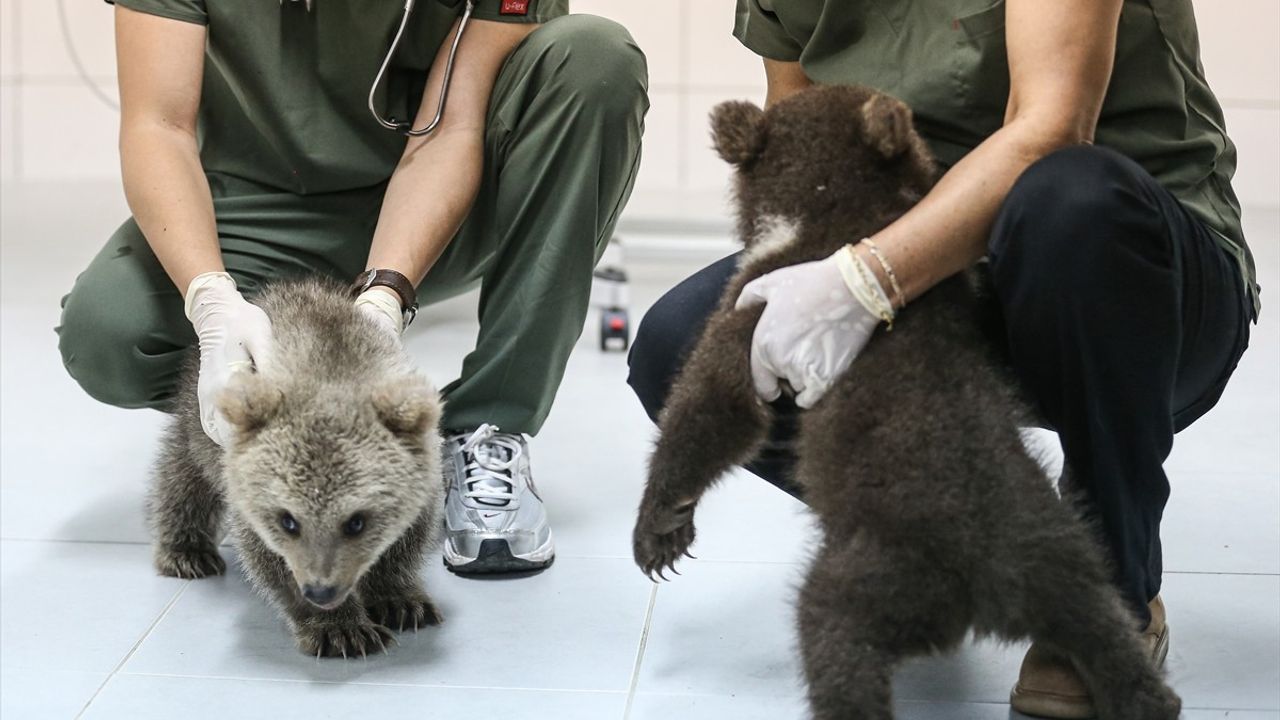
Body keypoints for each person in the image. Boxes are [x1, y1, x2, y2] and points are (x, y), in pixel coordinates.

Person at [626, 1, 1258, 717]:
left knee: (1069, 201)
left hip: (1130, 270)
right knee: (680, 343)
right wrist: (800, 286)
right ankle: (924, 549)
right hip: (930, 265)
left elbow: (1050, 130)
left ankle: (1112, 582)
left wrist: (863, 283)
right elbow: (806, 145)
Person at [57, 0, 648, 576]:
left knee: (593, 58)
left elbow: (448, 132)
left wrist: (386, 294)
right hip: (257, 206)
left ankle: (487, 427)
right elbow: (158, 125)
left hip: (443, 204)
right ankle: (279, 439)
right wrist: (209, 299)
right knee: (110, 335)